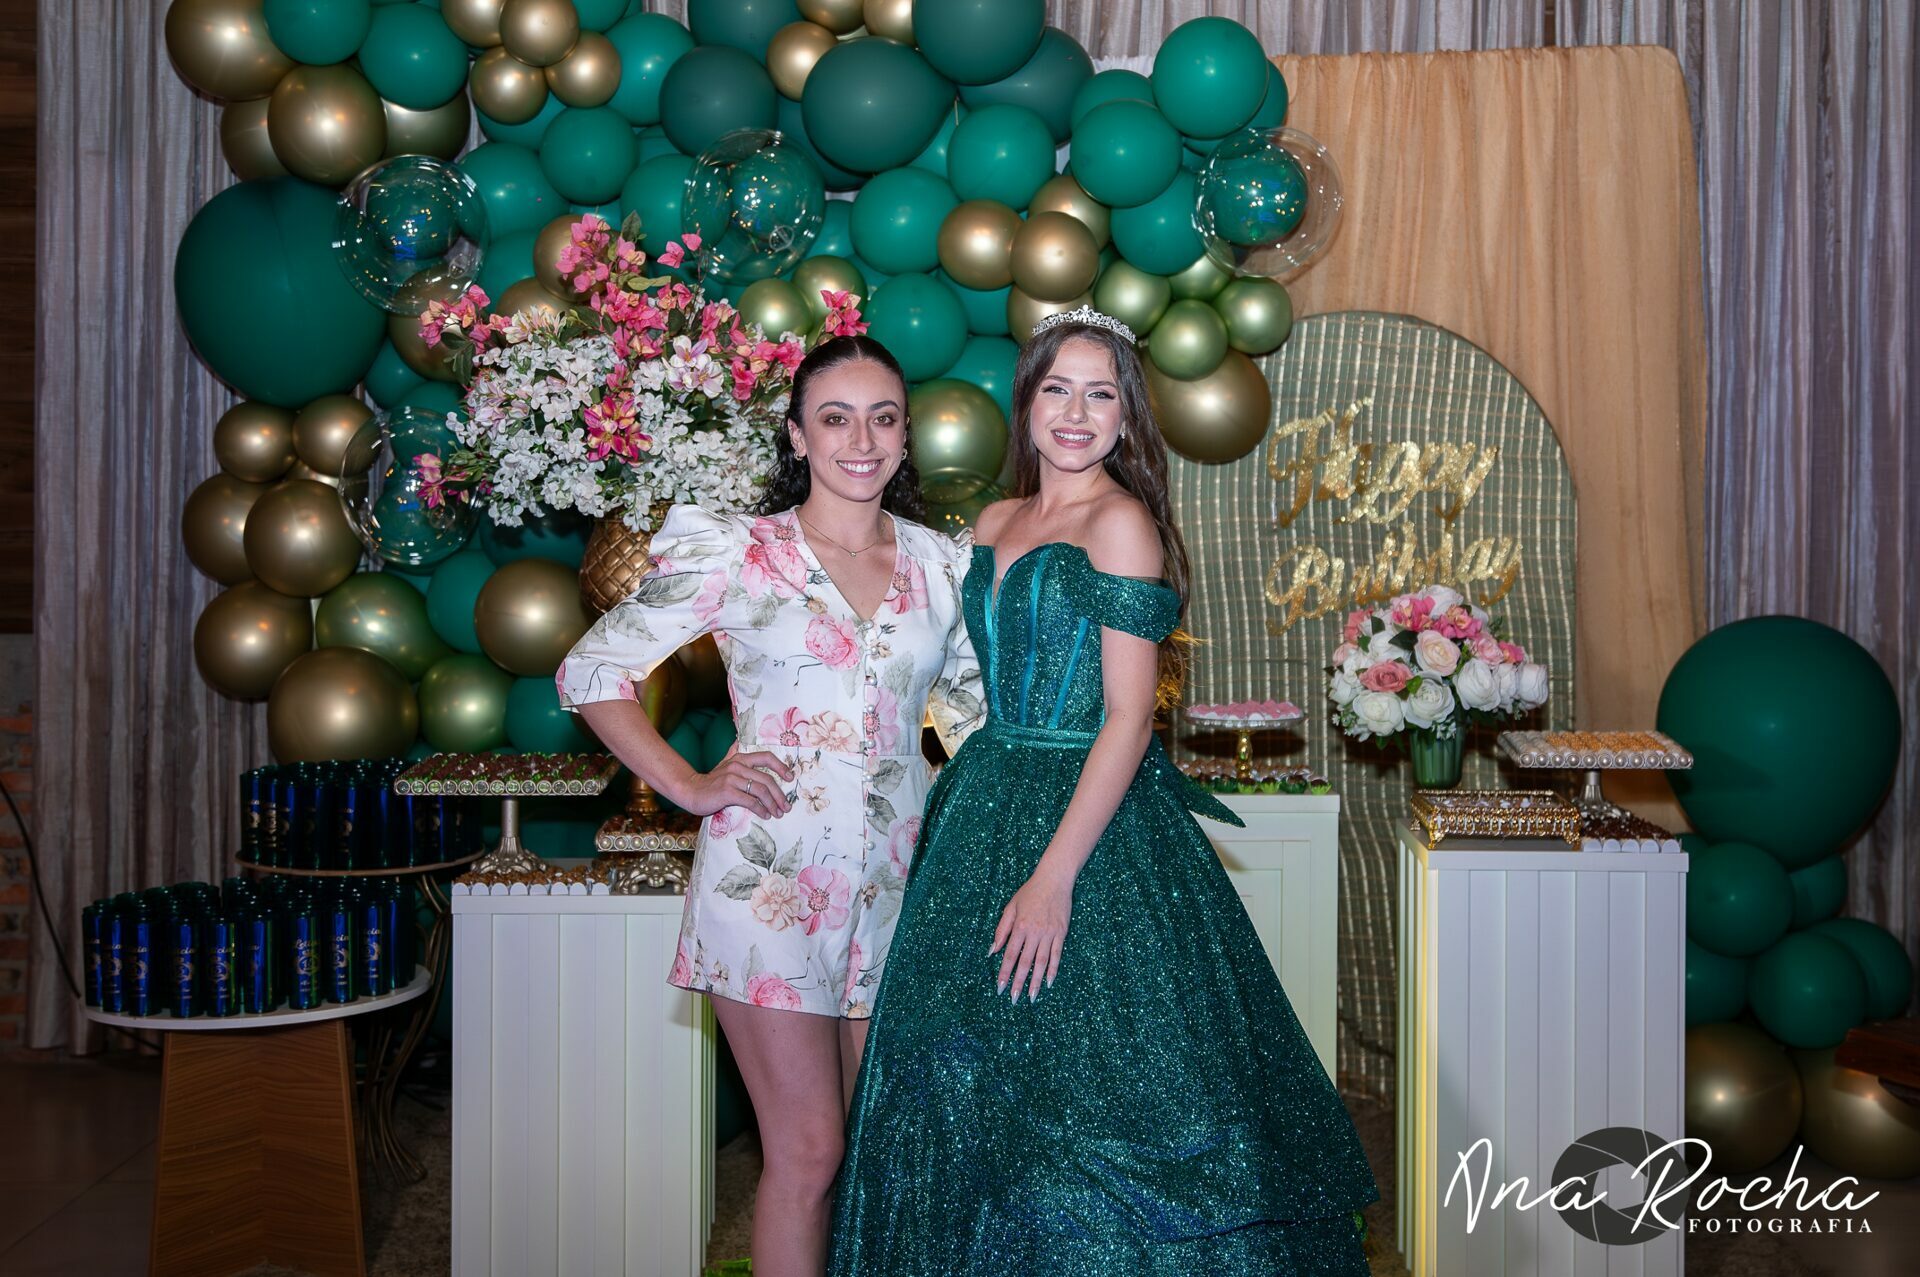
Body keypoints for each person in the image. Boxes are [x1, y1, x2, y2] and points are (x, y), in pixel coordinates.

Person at [828, 309, 1380, 1274]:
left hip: (1092, 824)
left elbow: (1129, 718)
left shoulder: (1121, 522)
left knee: (1090, 1111)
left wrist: (1054, 880)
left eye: (1101, 394)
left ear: (1127, 417)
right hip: (982, 803)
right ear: (1027, 402)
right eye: (1058, 389)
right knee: (960, 1086)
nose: (1077, 413)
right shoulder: (992, 522)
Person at [559, 335, 982, 1277]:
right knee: (809, 1152)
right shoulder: (741, 552)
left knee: (876, 1153)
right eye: (836, 418)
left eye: (882, 418)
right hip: (769, 890)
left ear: (906, 434)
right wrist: (689, 785)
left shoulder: (941, 566)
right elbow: (591, 670)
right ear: (797, 435)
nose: (861, 440)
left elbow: (971, 718)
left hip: (898, 893)